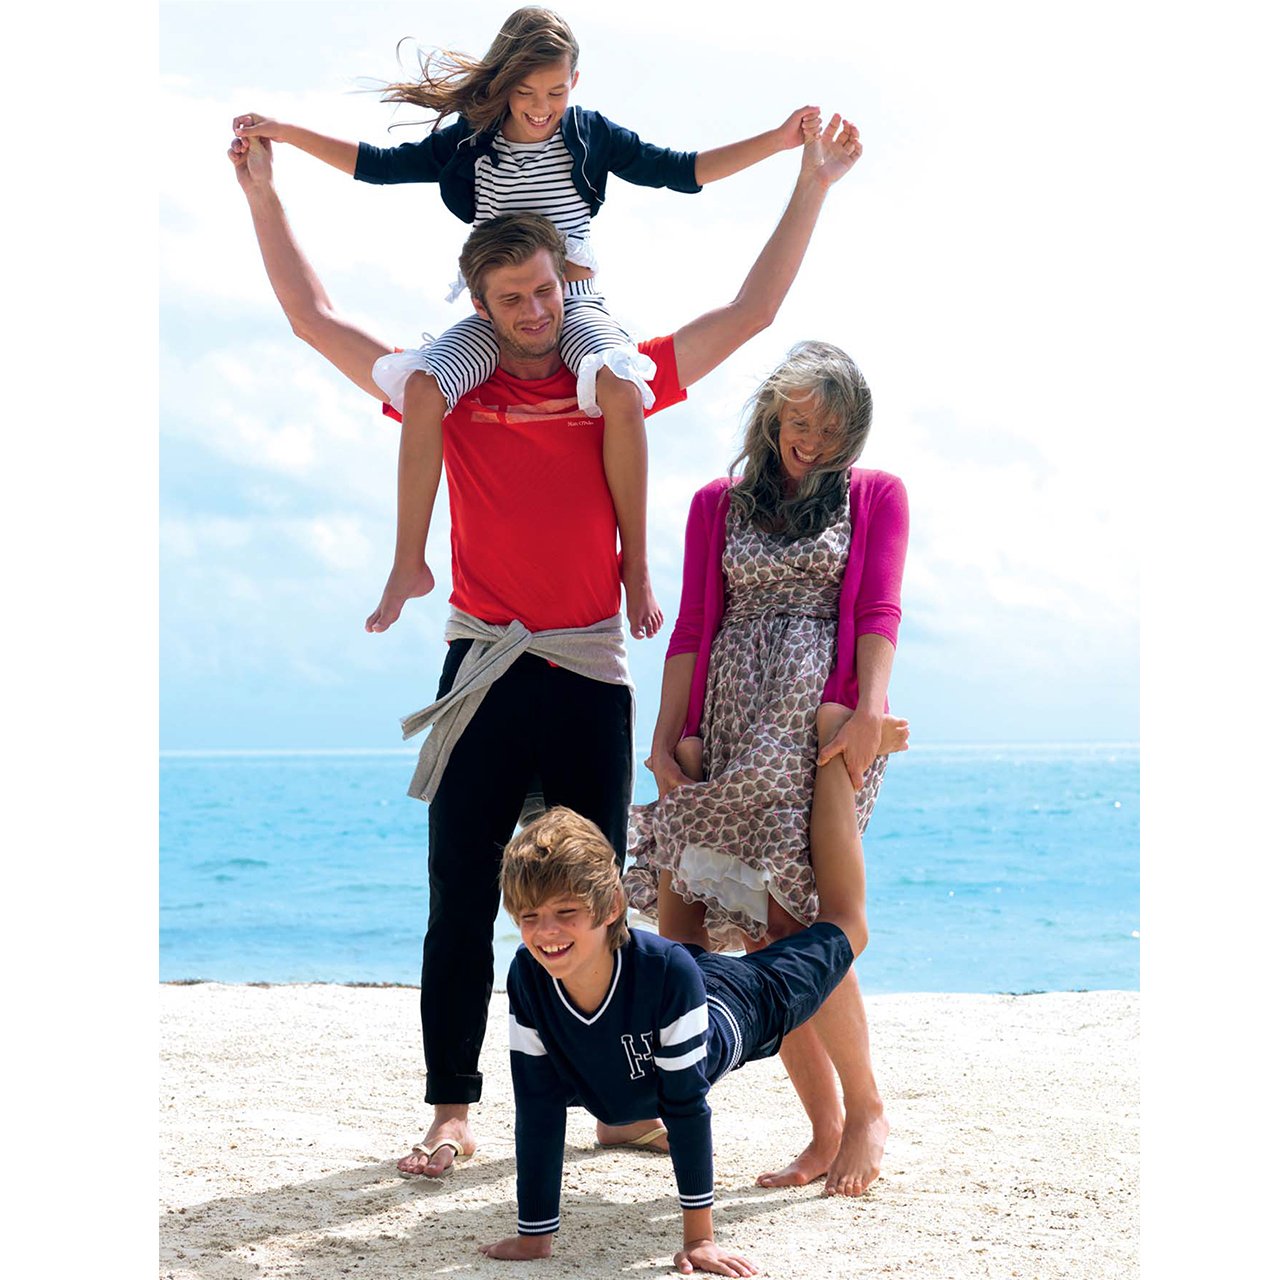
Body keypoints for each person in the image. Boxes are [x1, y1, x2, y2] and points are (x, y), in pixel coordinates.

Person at [227, 111, 864, 1179]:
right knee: (458, 902)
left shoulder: (611, 378)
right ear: (478, 306)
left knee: (597, 905)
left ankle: (615, 1108)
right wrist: (263, 194)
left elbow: (750, 312)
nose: (534, 312)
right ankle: (450, 1107)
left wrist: (813, 181)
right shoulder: (449, 389)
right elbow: (310, 317)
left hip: (587, 671)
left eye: (546, 291)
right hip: (482, 667)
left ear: (567, 280)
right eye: (511, 298)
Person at [233, 5, 821, 642]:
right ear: (503, 85)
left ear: (575, 83)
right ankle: (408, 562)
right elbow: (377, 167)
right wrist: (281, 142)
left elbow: (684, 172)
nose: (542, 108)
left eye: (556, 92)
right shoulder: (472, 142)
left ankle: (637, 566)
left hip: (579, 301)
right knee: (424, 389)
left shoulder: (589, 136)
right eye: (527, 93)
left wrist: (781, 143)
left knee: (622, 385)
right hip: (488, 334)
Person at [625, 340, 909, 1197]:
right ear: (773, 413)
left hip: (814, 720)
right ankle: (823, 1132)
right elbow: (692, 626)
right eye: (800, 423)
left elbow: (878, 608)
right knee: (750, 933)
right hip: (727, 720)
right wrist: (666, 736)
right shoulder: (717, 503)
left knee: (797, 920)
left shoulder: (875, 495)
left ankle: (866, 1112)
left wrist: (868, 712)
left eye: (831, 431)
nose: (812, 443)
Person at [486, 805, 867, 1274]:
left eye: (566, 912)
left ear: (611, 907)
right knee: (679, 941)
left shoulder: (667, 973)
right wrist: (534, 1235)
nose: (546, 932)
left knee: (846, 926)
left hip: (735, 1001)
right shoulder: (528, 975)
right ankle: (688, 793)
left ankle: (835, 778)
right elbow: (537, 1105)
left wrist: (700, 1240)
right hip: (665, 982)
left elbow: (684, 1108)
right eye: (529, 916)